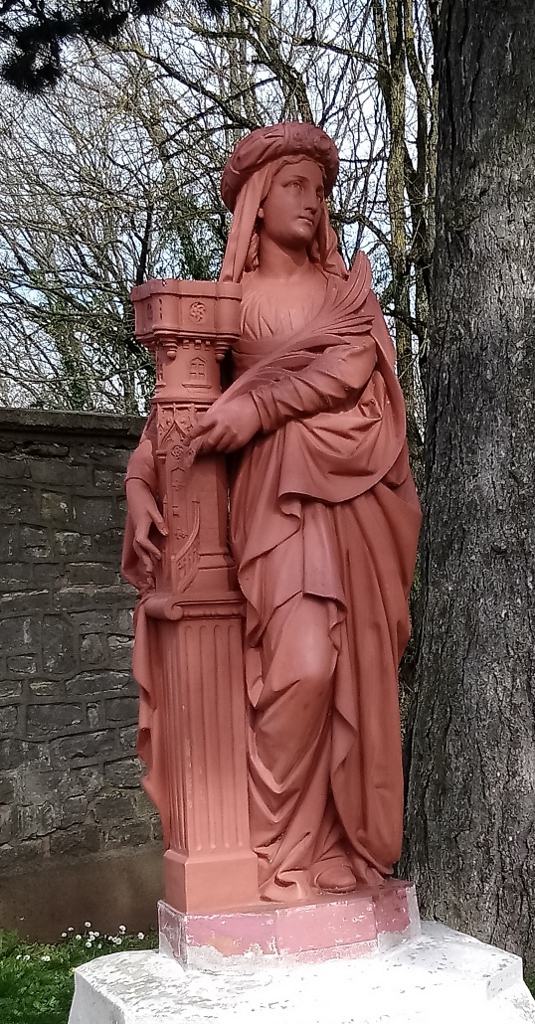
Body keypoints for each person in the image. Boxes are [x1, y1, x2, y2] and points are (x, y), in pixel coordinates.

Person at [123, 122, 421, 903]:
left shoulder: (345, 296)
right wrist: (139, 480)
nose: (311, 201)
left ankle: (328, 850)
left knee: (346, 671)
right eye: (294, 185)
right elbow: (180, 407)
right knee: (301, 666)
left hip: (352, 501)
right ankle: (264, 846)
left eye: (318, 189)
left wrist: (257, 408)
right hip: (274, 506)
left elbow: (349, 370)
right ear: (256, 199)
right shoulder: (229, 304)